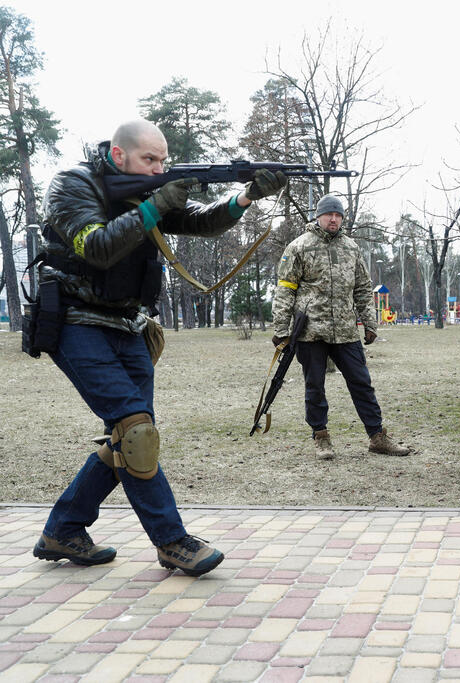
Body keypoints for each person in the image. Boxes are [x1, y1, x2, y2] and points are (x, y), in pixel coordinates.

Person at [33, 119, 287, 576]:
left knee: (129, 438)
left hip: (129, 324)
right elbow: (96, 247)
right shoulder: (72, 185)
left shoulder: (145, 189)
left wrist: (245, 197)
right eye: (149, 160)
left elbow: (199, 222)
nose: (158, 170)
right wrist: (156, 204)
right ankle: (172, 542)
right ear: (118, 157)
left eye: (163, 162)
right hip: (76, 322)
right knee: (136, 432)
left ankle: (64, 529)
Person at [272, 194, 410, 460]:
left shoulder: (351, 248)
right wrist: (281, 328)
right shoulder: (298, 247)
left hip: (346, 331)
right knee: (315, 386)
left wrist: (370, 323)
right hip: (310, 331)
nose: (333, 219)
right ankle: (321, 437)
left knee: (362, 384)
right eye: (329, 214)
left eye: (338, 215)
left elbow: (361, 288)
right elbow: (285, 290)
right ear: (318, 216)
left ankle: (377, 437)